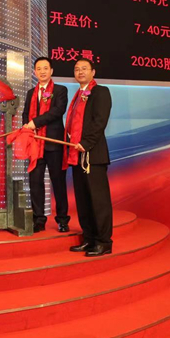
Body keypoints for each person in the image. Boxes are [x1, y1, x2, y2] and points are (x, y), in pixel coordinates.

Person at [63, 58, 113, 257]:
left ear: (93, 72)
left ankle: (104, 242)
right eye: (77, 69)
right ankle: (89, 238)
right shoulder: (77, 95)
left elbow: (100, 121)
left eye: (84, 68)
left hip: (93, 155)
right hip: (77, 154)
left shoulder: (100, 92)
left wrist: (86, 143)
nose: (80, 72)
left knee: (98, 201)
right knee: (83, 201)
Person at [21, 56, 70, 233]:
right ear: (34, 72)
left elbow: (58, 111)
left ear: (51, 71)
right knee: (35, 183)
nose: (42, 71)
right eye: (39, 69)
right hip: (35, 144)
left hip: (53, 144)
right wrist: (27, 127)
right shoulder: (31, 93)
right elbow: (25, 114)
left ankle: (62, 220)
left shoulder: (60, 90)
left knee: (58, 183)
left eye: (45, 68)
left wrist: (35, 122)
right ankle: (38, 220)